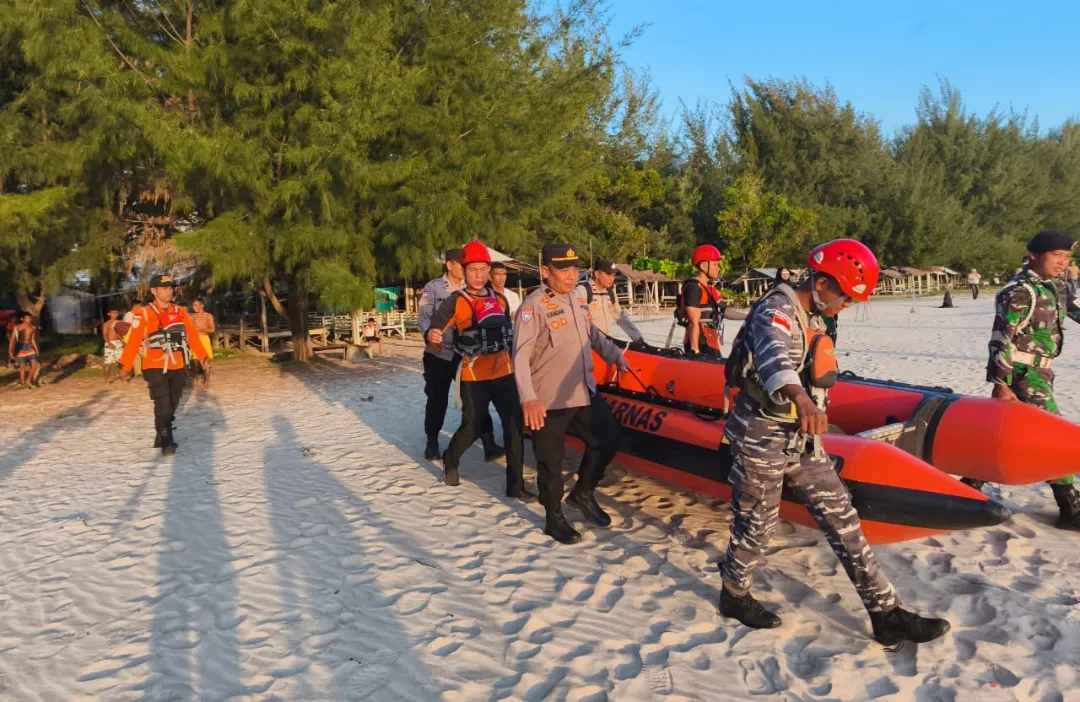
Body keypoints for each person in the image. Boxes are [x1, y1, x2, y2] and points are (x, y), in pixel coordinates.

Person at [720, 239, 950, 647]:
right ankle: (734, 594)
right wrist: (803, 399)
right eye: (845, 296)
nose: (846, 304)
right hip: (762, 435)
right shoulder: (776, 311)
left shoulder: (814, 317)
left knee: (844, 520)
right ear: (822, 283)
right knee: (756, 525)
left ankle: (886, 614)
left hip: (804, 441)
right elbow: (775, 362)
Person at [514, 243, 631, 544]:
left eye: (573, 269)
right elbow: (520, 355)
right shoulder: (533, 306)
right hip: (548, 398)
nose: (570, 276)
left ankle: (582, 493)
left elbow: (591, 334)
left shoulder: (579, 299)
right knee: (550, 462)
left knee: (607, 439)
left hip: (583, 390)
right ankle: (553, 517)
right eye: (562, 269)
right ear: (545, 271)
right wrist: (528, 397)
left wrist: (615, 354)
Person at [982, 229, 1080, 530]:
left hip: (1043, 372)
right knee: (1053, 436)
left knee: (1006, 435)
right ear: (1034, 255)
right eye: (1056, 255)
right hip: (1022, 374)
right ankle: (1070, 506)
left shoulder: (1055, 286)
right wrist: (1000, 383)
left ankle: (969, 485)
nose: (1062, 262)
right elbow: (1001, 338)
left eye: (1066, 257)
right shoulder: (1019, 291)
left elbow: (1072, 310)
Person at [427, 241, 536, 502]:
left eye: (483, 269)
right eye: (472, 269)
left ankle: (516, 485)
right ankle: (450, 459)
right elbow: (434, 333)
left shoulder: (500, 299)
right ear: (463, 271)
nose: (478, 274)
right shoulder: (455, 301)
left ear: (489, 270)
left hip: (504, 373)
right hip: (474, 376)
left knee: (514, 427)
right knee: (471, 427)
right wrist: (433, 337)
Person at [419, 249, 503, 462]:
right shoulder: (434, 288)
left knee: (477, 398)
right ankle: (432, 441)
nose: (466, 268)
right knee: (437, 399)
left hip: (467, 354)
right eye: (461, 263)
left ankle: (489, 442)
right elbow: (425, 317)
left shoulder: (476, 289)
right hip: (439, 355)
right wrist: (430, 336)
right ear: (449, 265)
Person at [119, 275, 209, 455]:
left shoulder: (181, 311)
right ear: (153, 291)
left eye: (171, 288)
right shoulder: (143, 313)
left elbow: (191, 335)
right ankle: (167, 440)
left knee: (173, 402)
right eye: (164, 288)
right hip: (154, 364)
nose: (169, 291)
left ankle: (161, 430)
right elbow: (135, 339)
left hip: (177, 363)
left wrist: (202, 356)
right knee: (163, 404)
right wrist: (125, 365)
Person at [677, 245, 747, 358]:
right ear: (704, 266)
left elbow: (725, 311)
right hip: (700, 342)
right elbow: (692, 322)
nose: (718, 268)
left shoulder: (710, 289)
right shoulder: (693, 287)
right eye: (715, 264)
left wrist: (748, 316)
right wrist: (694, 351)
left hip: (711, 341)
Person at [584, 259, 644, 344]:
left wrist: (638, 338)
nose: (612, 279)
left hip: (605, 343)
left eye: (613, 275)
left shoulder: (610, 293)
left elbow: (620, 317)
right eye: (608, 275)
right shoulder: (583, 291)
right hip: (587, 344)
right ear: (597, 274)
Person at [8, 312, 41, 389]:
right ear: (22, 319)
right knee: (23, 367)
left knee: (34, 365)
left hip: (30, 347)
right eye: (26, 318)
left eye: (30, 318)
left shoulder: (33, 327)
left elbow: (33, 339)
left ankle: (28, 380)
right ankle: (22, 381)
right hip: (21, 347)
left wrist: (36, 349)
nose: (28, 320)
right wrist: (10, 351)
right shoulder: (18, 327)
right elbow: (12, 340)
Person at [189, 298, 216, 387]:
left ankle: (206, 381)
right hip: (195, 340)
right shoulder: (192, 316)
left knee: (206, 362)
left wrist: (201, 329)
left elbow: (212, 329)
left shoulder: (208, 316)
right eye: (193, 305)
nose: (194, 307)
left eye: (196, 305)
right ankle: (195, 379)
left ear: (202, 306)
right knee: (195, 362)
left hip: (204, 339)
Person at [102, 308, 125, 384]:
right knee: (109, 363)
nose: (115, 314)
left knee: (121, 362)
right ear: (109, 314)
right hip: (110, 343)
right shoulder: (106, 324)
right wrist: (109, 343)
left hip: (119, 343)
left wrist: (124, 342)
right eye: (113, 313)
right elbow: (105, 335)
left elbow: (122, 334)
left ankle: (122, 378)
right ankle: (107, 380)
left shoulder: (120, 323)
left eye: (116, 312)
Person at [122, 302, 144, 380]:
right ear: (135, 306)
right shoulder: (128, 315)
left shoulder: (139, 315)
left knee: (139, 354)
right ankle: (125, 373)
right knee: (131, 355)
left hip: (139, 337)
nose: (141, 308)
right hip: (130, 338)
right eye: (140, 306)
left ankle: (138, 372)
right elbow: (126, 328)